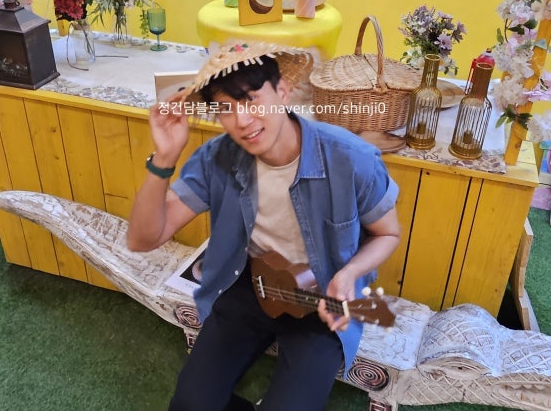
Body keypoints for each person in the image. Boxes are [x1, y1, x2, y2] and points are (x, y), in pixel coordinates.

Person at [127, 40, 400, 411]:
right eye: (226, 108)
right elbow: (142, 239)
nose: (242, 121)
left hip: (324, 298)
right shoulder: (217, 158)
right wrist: (164, 158)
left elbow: (387, 233)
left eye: (251, 99)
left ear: (283, 92)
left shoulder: (352, 158)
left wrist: (350, 273)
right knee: (189, 405)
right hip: (250, 283)